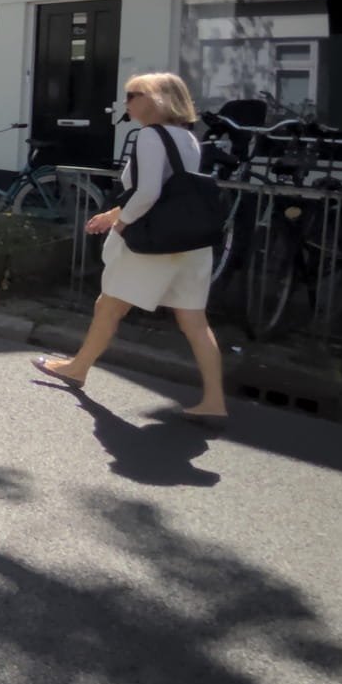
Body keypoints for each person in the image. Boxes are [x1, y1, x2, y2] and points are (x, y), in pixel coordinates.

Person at [34, 72, 227, 424]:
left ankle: (77, 368)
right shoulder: (188, 138)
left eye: (132, 95)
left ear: (156, 98)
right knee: (195, 322)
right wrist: (112, 213)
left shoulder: (150, 136)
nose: (126, 103)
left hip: (153, 245)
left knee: (108, 305)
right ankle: (214, 401)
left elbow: (150, 192)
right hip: (192, 243)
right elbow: (170, 192)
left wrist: (120, 225)